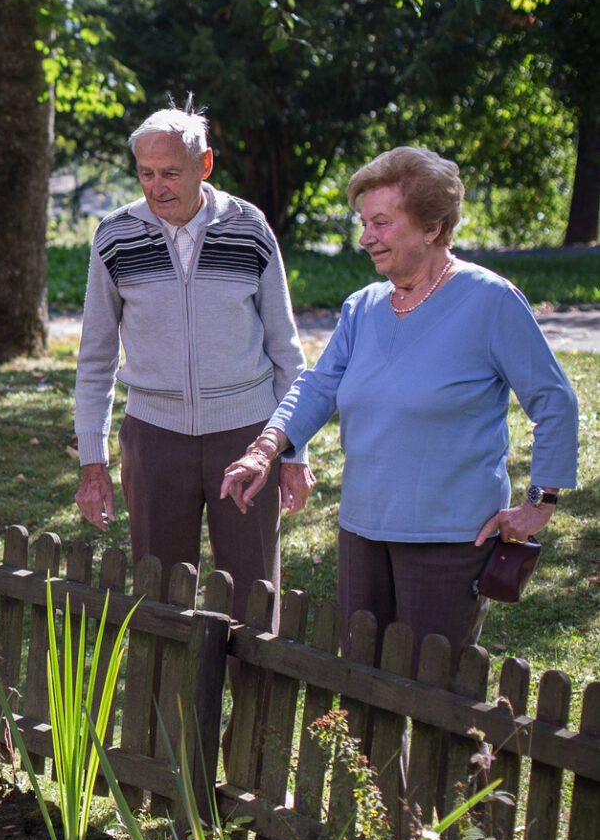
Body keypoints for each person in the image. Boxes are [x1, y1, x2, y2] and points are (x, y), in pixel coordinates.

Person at [220, 146, 580, 656]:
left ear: (432, 227)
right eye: (364, 223)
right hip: (362, 530)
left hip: (451, 539)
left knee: (434, 685)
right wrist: (264, 450)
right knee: (363, 677)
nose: (366, 237)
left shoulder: (490, 300)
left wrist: (539, 504)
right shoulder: (363, 307)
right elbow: (317, 387)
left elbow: (554, 400)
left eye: (382, 223)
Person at [73, 104, 313, 623]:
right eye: (145, 174)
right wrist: (93, 463)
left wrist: (294, 453)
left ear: (205, 164)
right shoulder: (114, 236)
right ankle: (168, 682)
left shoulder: (249, 228)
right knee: (159, 598)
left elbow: (286, 348)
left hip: (247, 437)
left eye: (170, 173)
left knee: (253, 598)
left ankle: (251, 681)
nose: (156, 188)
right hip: (154, 439)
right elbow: (95, 357)